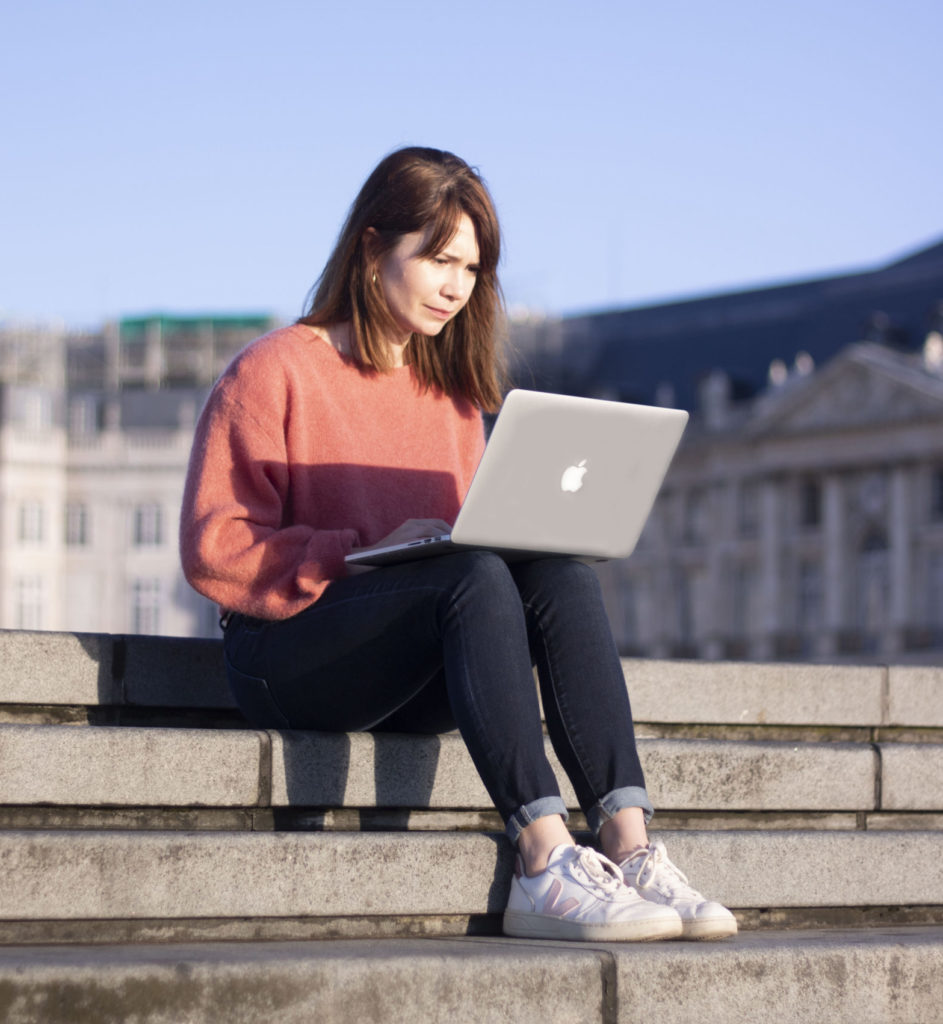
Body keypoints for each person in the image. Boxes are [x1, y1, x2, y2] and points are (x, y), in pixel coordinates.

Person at [179, 146, 736, 943]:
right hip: (287, 660)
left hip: (416, 663)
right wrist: (361, 552)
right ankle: (544, 860)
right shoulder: (274, 370)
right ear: (373, 249)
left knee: (558, 574)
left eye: (471, 269)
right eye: (438, 259)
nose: (456, 286)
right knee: (470, 574)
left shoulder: (452, 398)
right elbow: (214, 548)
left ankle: (629, 845)